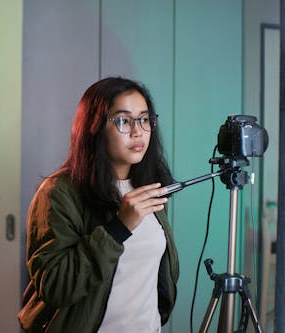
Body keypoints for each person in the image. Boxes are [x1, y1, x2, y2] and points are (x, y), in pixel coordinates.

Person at [18, 77, 179, 333]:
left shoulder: (149, 189)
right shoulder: (58, 193)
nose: (138, 131)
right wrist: (118, 228)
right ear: (94, 127)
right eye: (124, 120)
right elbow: (55, 286)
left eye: (144, 119)